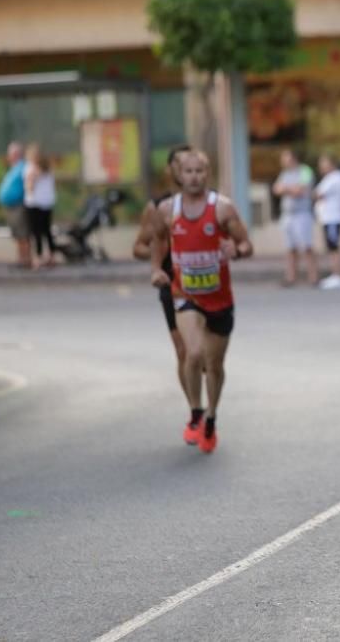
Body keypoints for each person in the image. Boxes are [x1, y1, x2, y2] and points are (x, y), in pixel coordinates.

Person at [149, 149, 253, 454]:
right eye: (188, 171)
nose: (193, 176)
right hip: (185, 295)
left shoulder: (222, 209)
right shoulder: (168, 210)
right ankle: (195, 411)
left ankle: (211, 418)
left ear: (207, 174)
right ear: (179, 175)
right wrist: (157, 269)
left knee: (214, 365)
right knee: (192, 353)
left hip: (219, 298)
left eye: (199, 171)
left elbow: (246, 244)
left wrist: (236, 249)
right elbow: (157, 239)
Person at [133, 143, 193, 414]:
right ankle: (196, 411)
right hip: (172, 284)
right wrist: (160, 254)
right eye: (180, 165)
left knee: (204, 355)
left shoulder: (216, 204)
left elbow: (230, 241)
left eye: (191, 165)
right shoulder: (158, 207)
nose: (187, 171)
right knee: (184, 351)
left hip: (206, 285)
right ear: (172, 170)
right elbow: (139, 247)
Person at [271, 148, 317, 286]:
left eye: (285, 157)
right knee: (290, 248)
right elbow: (276, 189)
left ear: (292, 158)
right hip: (288, 215)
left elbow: (300, 190)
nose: (282, 161)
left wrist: (286, 188)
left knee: (307, 247)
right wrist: (290, 188)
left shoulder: (305, 171)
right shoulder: (285, 173)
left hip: (302, 214)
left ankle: (313, 277)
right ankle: (291, 277)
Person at [313, 152, 340, 289]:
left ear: (331, 163)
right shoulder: (330, 178)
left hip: (333, 217)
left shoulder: (336, 177)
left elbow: (317, 194)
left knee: (334, 246)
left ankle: (337, 275)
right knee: (331, 246)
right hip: (327, 218)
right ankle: (335, 274)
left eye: (324, 162)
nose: (321, 166)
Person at [23, 144, 57, 269]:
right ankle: (51, 256)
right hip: (47, 203)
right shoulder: (48, 168)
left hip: (34, 203)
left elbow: (29, 187)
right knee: (47, 231)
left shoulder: (31, 168)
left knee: (36, 232)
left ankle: (37, 258)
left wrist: (30, 182)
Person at [0, 141, 30, 268]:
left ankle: (26, 260)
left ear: (16, 154)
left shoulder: (23, 167)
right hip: (12, 207)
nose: (8, 156)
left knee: (23, 234)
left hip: (19, 206)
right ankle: (21, 259)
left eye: (10, 154)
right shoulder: (14, 168)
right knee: (17, 235)